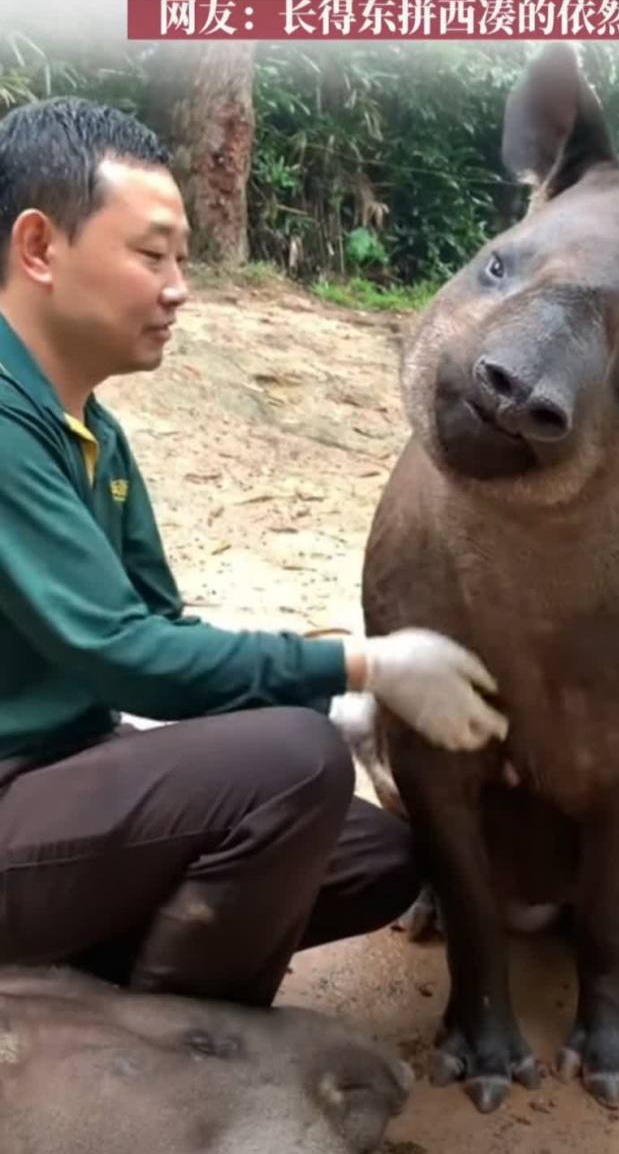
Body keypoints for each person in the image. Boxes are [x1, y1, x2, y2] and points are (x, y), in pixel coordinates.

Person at [0, 97, 507, 1008]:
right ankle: (167, 1065)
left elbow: (156, 624)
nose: (178, 286)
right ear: (39, 248)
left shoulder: (94, 437)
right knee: (292, 764)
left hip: (56, 773)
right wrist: (363, 664)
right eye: (151, 254)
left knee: (375, 858)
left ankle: (89, 984)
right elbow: (120, 653)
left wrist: (333, 694)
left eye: (183, 260)